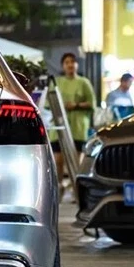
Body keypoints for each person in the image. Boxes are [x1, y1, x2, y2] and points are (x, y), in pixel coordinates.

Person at [48, 52, 96, 195]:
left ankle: (77, 191)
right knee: (57, 159)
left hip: (78, 128)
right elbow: (48, 103)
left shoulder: (84, 82)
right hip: (58, 127)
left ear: (77, 65)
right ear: (63, 66)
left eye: (72, 62)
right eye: (67, 62)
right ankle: (59, 188)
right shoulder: (56, 82)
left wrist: (76, 105)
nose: (70, 65)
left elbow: (92, 103)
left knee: (76, 162)